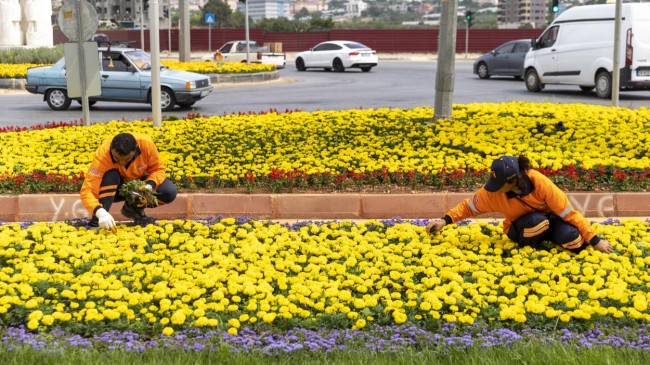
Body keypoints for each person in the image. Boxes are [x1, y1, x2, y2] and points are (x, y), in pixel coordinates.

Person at [426, 155, 613, 254]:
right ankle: (531, 246)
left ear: (513, 180)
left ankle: (551, 237)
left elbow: (570, 214)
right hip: (520, 228)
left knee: (575, 241)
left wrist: (595, 241)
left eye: (499, 184)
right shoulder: (492, 193)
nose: (494, 188)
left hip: (550, 221)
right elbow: (469, 207)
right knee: (537, 221)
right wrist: (444, 221)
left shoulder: (541, 184)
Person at [80, 132, 177, 231]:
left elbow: (158, 169)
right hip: (115, 188)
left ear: (135, 150)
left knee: (168, 192)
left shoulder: (146, 145)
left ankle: (133, 208)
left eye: (127, 160)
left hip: (139, 187)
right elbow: (88, 189)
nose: (121, 163)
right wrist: (99, 212)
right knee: (110, 175)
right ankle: (97, 222)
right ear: (111, 149)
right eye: (117, 159)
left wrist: (150, 185)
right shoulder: (102, 155)